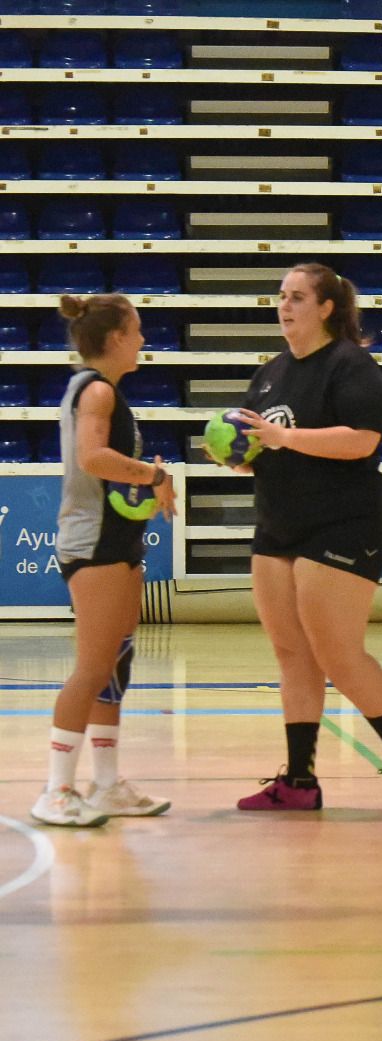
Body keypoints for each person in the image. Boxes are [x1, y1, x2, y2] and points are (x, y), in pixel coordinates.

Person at [230, 264, 382, 813]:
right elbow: (267, 443)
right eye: (280, 295)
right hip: (277, 523)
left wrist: (284, 437)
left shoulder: (351, 364)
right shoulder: (270, 373)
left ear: (325, 308)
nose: (285, 305)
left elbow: (361, 440)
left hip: (344, 523)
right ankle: (299, 780)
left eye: (297, 297)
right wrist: (242, 454)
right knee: (292, 654)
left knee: (337, 652)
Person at [33, 293, 177, 827]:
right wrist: (155, 476)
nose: (142, 338)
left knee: (114, 666)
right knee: (93, 667)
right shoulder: (96, 390)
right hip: (92, 544)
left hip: (115, 543)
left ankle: (108, 784)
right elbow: (91, 458)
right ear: (115, 337)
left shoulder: (103, 390)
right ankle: (56, 789)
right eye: (137, 330)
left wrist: (143, 477)